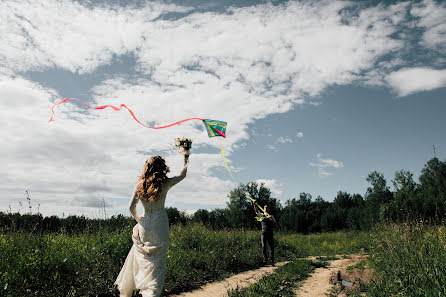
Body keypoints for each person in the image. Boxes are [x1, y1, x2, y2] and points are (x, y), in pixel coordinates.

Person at [115, 150, 190, 297]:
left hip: (144, 225)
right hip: (159, 225)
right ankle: (150, 293)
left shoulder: (140, 185)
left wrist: (140, 221)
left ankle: (139, 289)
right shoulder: (165, 183)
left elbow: (131, 207)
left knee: (143, 260)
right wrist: (185, 157)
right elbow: (183, 174)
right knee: (157, 265)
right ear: (162, 168)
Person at [252, 200, 278, 266]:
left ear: (268, 209)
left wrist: (271, 220)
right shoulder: (261, 215)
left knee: (271, 247)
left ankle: (272, 261)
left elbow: (276, 225)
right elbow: (256, 211)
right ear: (263, 208)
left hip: (270, 233)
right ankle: (265, 261)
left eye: (267, 208)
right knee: (264, 247)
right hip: (264, 233)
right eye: (265, 207)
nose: (265, 208)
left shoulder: (271, 216)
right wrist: (254, 204)